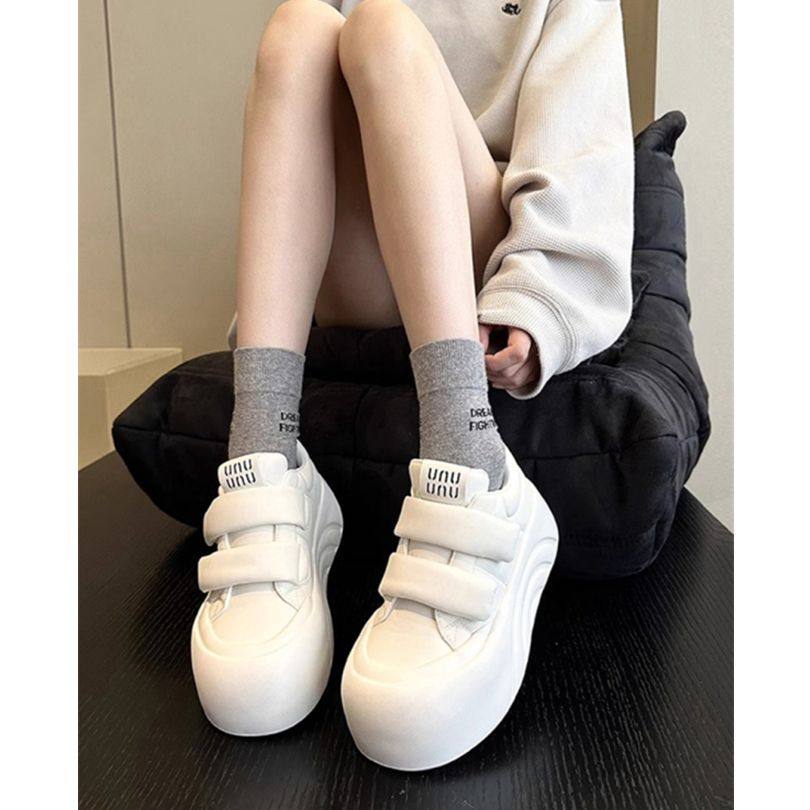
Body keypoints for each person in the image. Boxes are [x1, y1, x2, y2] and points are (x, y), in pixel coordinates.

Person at [191, 0, 633, 770]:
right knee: (300, 26)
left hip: (475, 262)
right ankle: (264, 448)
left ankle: (471, 460)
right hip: (366, 275)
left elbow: (584, 162)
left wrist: (536, 304)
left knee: (382, 28)